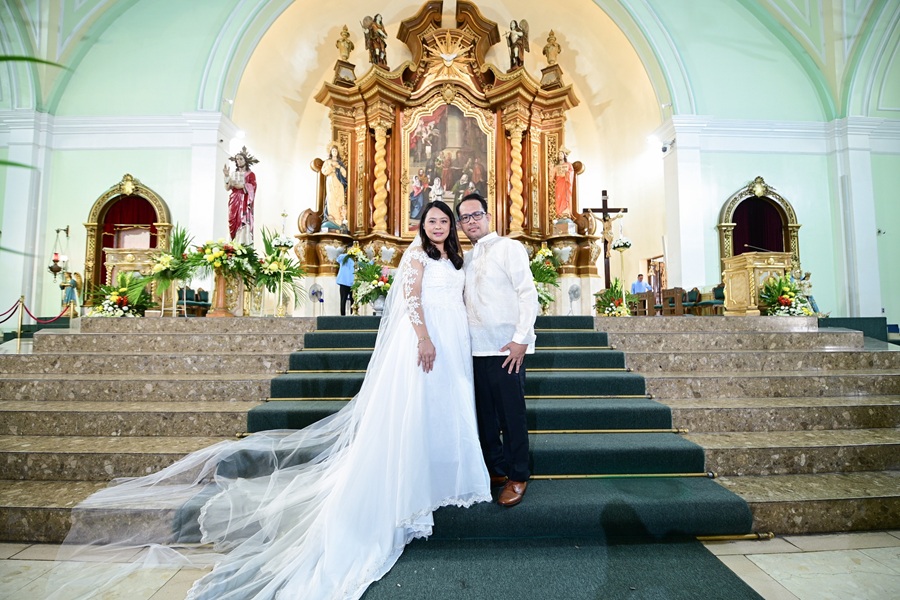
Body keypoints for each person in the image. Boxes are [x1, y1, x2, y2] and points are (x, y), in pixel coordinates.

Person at [50, 201, 490, 599]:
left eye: (443, 221)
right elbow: (411, 302)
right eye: (432, 220)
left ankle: (443, 473)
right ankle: (409, 481)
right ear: (423, 225)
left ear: (451, 227)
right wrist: (424, 339)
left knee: (446, 408)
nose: (437, 226)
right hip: (425, 341)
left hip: (455, 340)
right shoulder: (415, 256)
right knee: (415, 412)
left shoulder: (456, 257)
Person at [456, 192, 539, 508]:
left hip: (507, 349)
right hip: (474, 351)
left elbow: (527, 293)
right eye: (465, 218)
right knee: (485, 418)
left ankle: (518, 476)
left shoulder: (509, 248)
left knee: (511, 416)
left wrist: (521, 339)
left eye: (476, 215)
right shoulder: (466, 259)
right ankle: (496, 470)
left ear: (488, 216)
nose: (471, 222)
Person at [223, 146, 258, 244]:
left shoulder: (251, 174)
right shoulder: (234, 174)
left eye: (241, 159)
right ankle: (232, 245)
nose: (238, 161)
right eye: (237, 159)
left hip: (244, 201)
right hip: (234, 200)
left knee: (243, 221)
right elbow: (227, 188)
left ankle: (243, 244)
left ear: (246, 160)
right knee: (232, 220)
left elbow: (253, 186)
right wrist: (226, 176)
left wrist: (243, 186)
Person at [322, 143, 348, 227]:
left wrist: (339, 167)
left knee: (339, 200)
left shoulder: (340, 163)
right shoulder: (327, 162)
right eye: (333, 150)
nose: (334, 152)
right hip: (330, 182)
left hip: (339, 183)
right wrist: (330, 166)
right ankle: (331, 217)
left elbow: (344, 174)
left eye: (336, 151)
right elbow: (324, 171)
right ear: (330, 152)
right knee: (331, 198)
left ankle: (339, 219)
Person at [554, 148, 575, 219]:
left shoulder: (568, 164)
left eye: (561, 154)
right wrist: (551, 169)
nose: (560, 155)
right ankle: (559, 213)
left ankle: (565, 212)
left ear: (564, 155)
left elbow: (571, 172)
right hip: (559, 184)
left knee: (565, 197)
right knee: (558, 197)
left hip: (565, 183)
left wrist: (566, 174)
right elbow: (551, 178)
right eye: (559, 154)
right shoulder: (556, 166)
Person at [336, 251, 355, 315]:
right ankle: (342, 315)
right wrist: (348, 253)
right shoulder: (344, 258)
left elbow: (363, 265)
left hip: (352, 283)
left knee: (353, 300)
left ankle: (353, 314)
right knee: (343, 299)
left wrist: (372, 261)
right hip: (344, 282)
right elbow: (338, 259)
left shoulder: (356, 259)